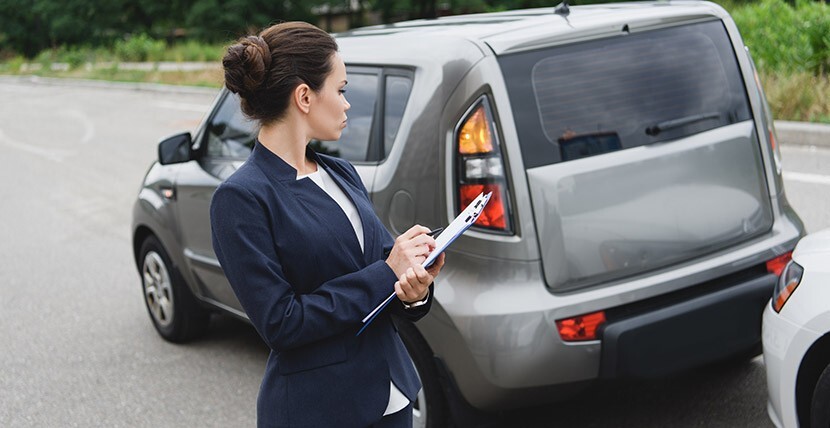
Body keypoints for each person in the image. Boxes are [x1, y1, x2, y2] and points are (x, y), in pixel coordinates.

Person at [209, 22, 445, 428]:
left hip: (393, 396)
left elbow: (380, 271)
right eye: (341, 90)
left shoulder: (340, 171)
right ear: (304, 96)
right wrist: (387, 272)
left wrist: (413, 289)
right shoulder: (241, 198)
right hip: (320, 410)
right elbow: (282, 323)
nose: (347, 103)